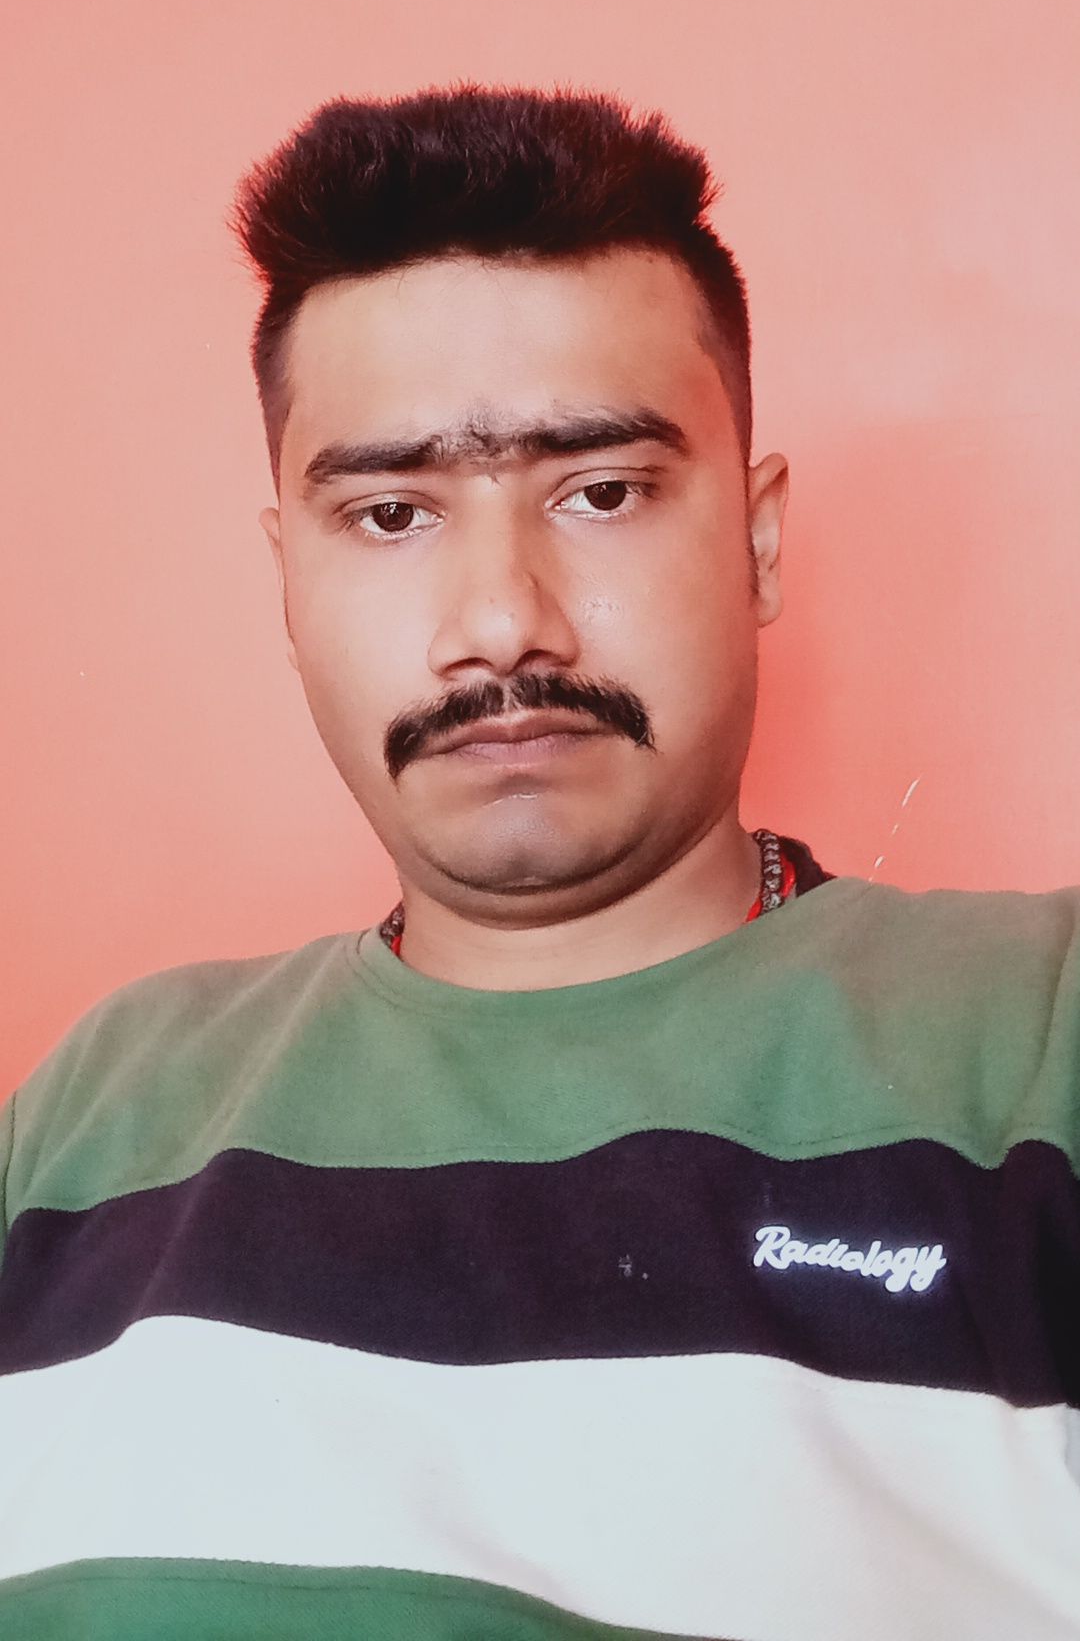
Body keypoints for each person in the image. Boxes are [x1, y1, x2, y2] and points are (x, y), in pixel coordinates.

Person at [1, 84, 1077, 1641]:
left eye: (602, 491)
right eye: (390, 514)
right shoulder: (98, 1114)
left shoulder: (1040, 1032)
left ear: (760, 542)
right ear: (289, 583)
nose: (503, 622)